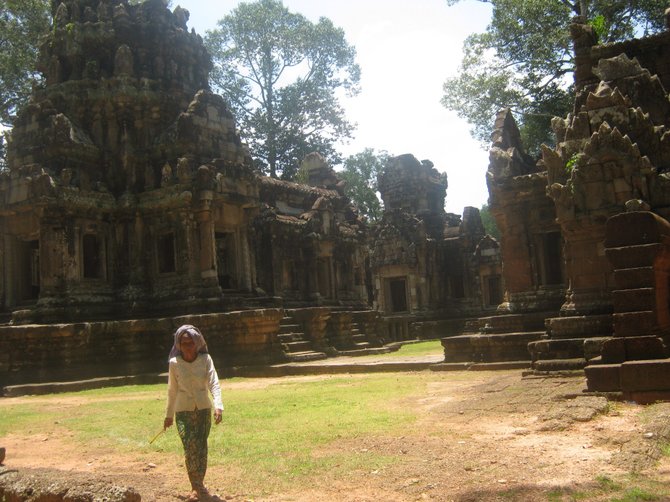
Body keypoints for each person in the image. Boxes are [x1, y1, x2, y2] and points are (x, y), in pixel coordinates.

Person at [164, 324, 223, 502]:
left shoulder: (206, 360)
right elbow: (171, 390)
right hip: (183, 412)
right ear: (178, 345)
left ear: (197, 343)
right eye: (184, 343)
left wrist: (218, 406)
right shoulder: (174, 364)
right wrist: (168, 415)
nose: (187, 347)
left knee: (201, 447)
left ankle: (199, 485)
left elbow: (214, 383)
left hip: (203, 409)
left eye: (190, 343)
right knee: (190, 447)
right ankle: (195, 487)